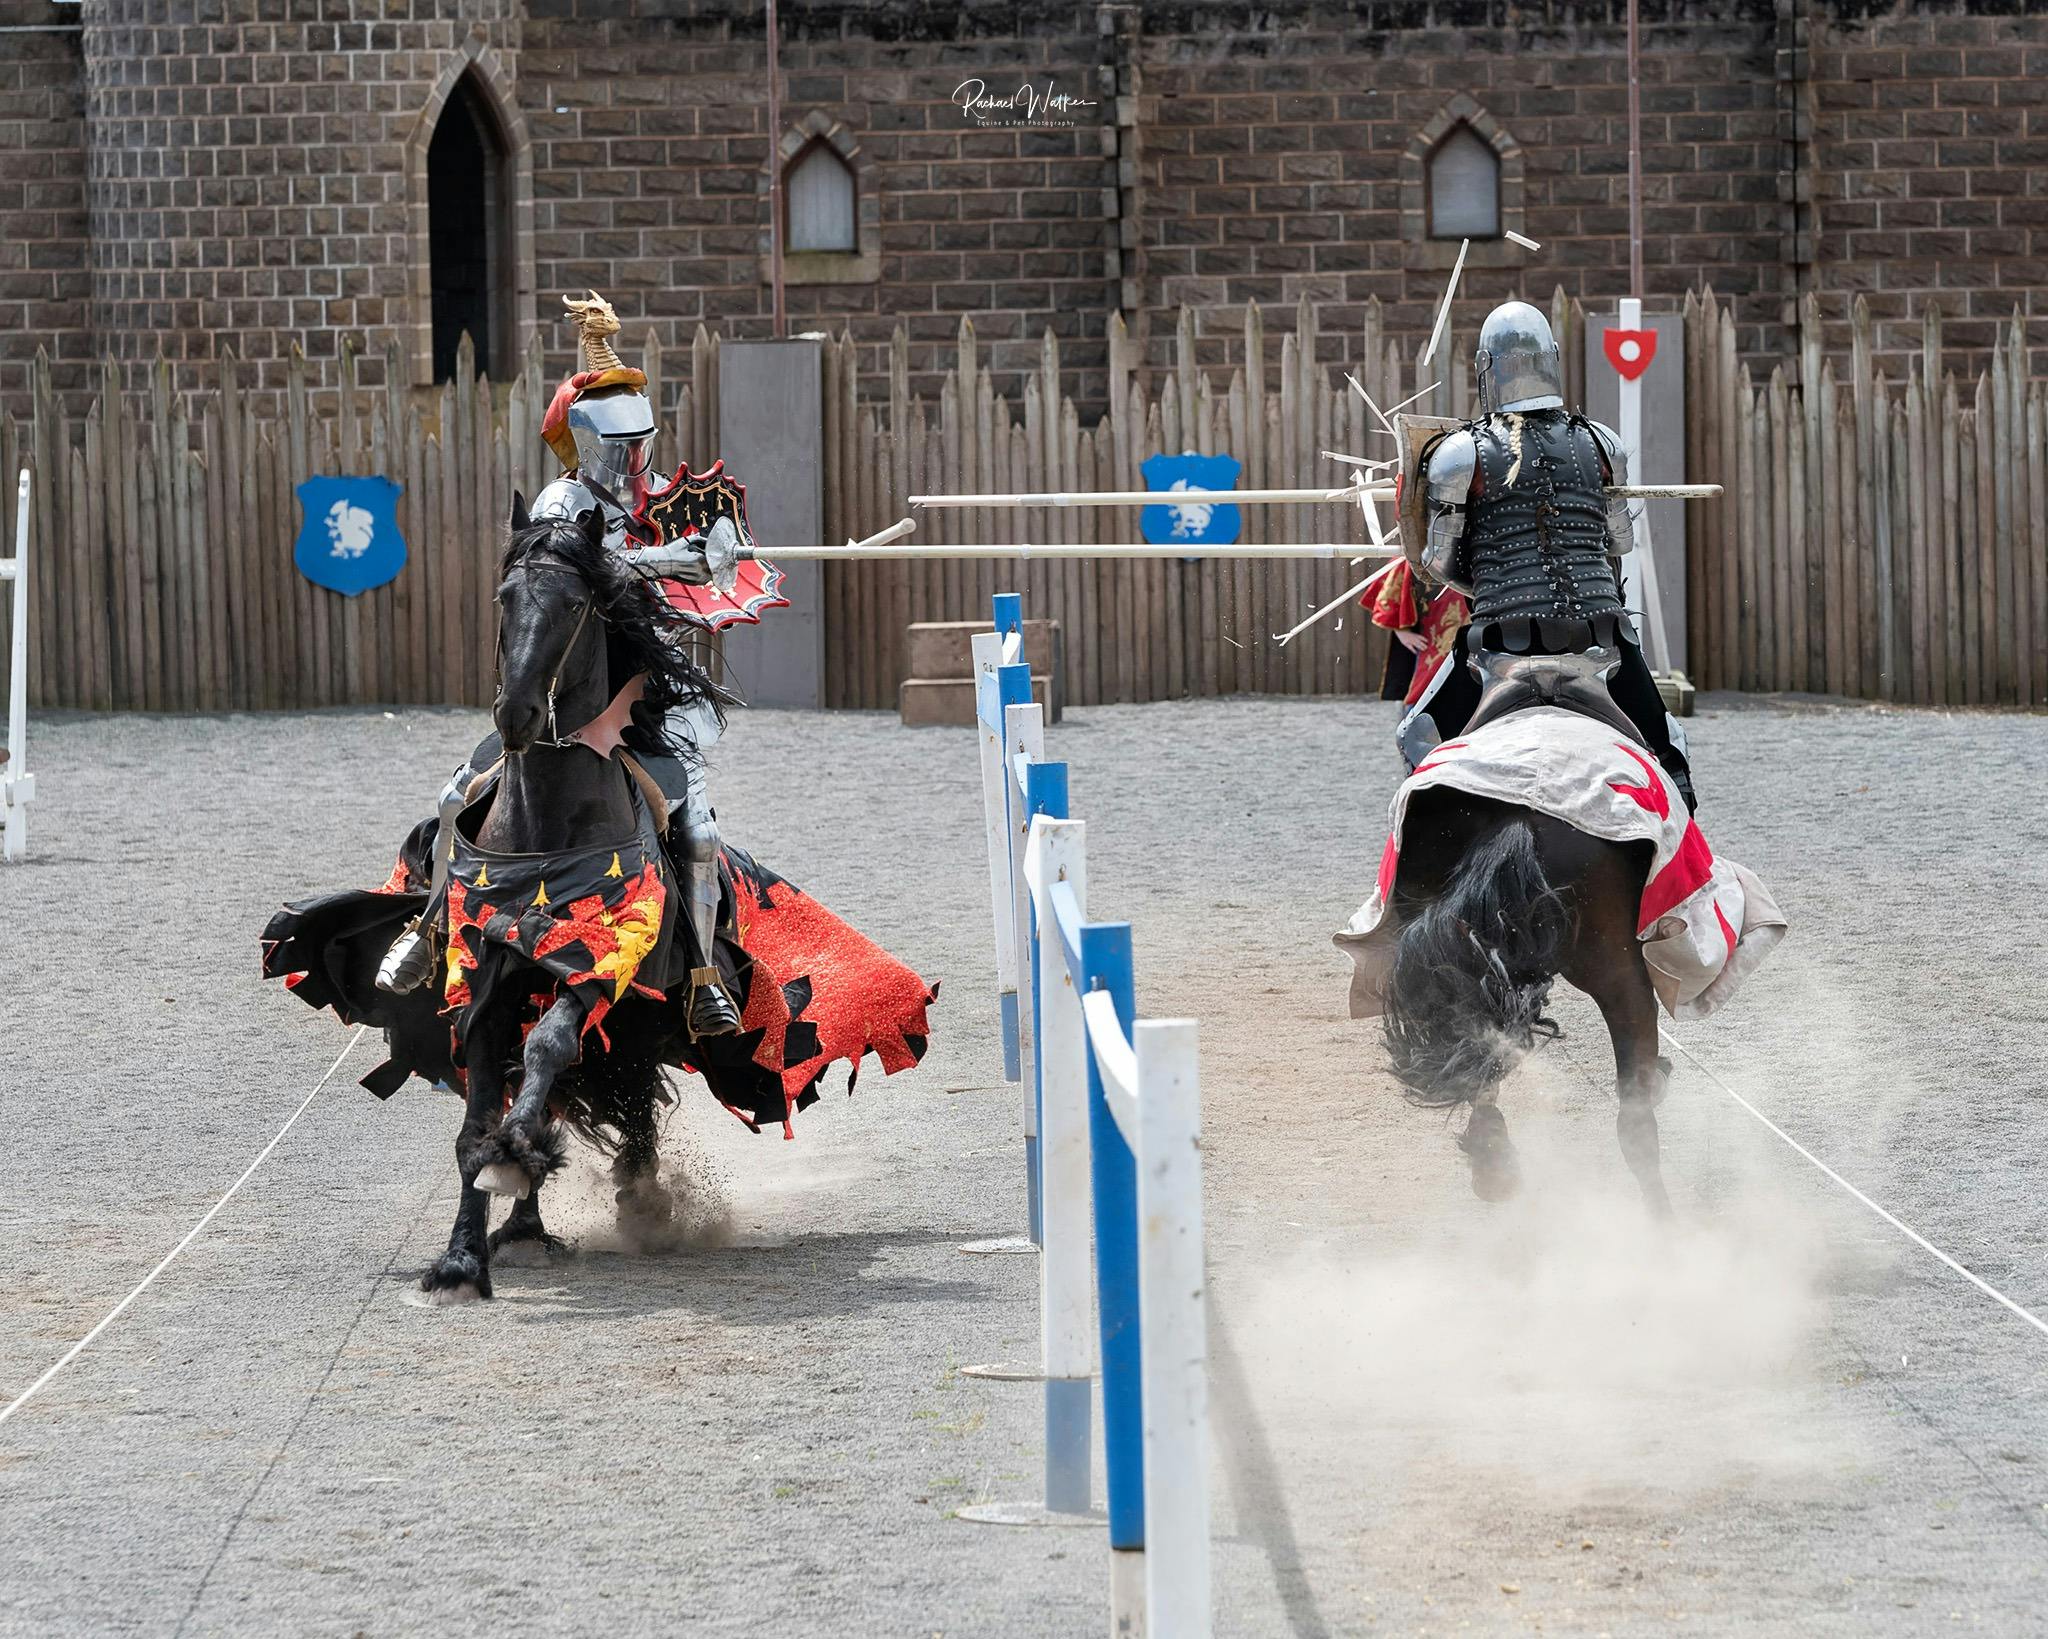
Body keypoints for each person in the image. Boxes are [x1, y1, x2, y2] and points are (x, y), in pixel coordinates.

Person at [377, 292, 744, 1039]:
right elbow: (584, 567)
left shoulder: (656, 500)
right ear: (586, 440)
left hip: (642, 687)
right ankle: (428, 927)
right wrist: (672, 558)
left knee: (699, 833)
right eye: (621, 446)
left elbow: (702, 557)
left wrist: (719, 549)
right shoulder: (560, 500)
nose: (632, 460)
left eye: (640, 445)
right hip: (565, 688)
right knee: (456, 797)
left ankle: (703, 974)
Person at [1398, 300, 1696, 811]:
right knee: (1669, 749)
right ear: (1551, 359)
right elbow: (1619, 543)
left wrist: (1494, 582)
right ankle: (1683, 828)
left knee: (1415, 735)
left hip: (1500, 644)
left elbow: (1437, 564)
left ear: (1487, 368)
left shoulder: (1459, 453)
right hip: (1601, 636)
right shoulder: (1602, 443)